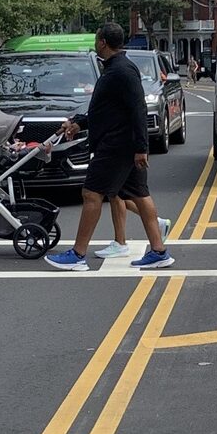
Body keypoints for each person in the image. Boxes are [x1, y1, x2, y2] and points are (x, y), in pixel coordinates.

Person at [45, 21, 174, 271]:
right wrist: (78, 123)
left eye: (96, 39)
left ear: (103, 42)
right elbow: (106, 110)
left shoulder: (122, 71)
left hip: (117, 146)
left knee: (91, 193)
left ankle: (78, 255)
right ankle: (159, 252)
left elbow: (138, 109)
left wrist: (141, 147)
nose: (95, 43)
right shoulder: (115, 69)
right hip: (123, 144)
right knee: (139, 194)